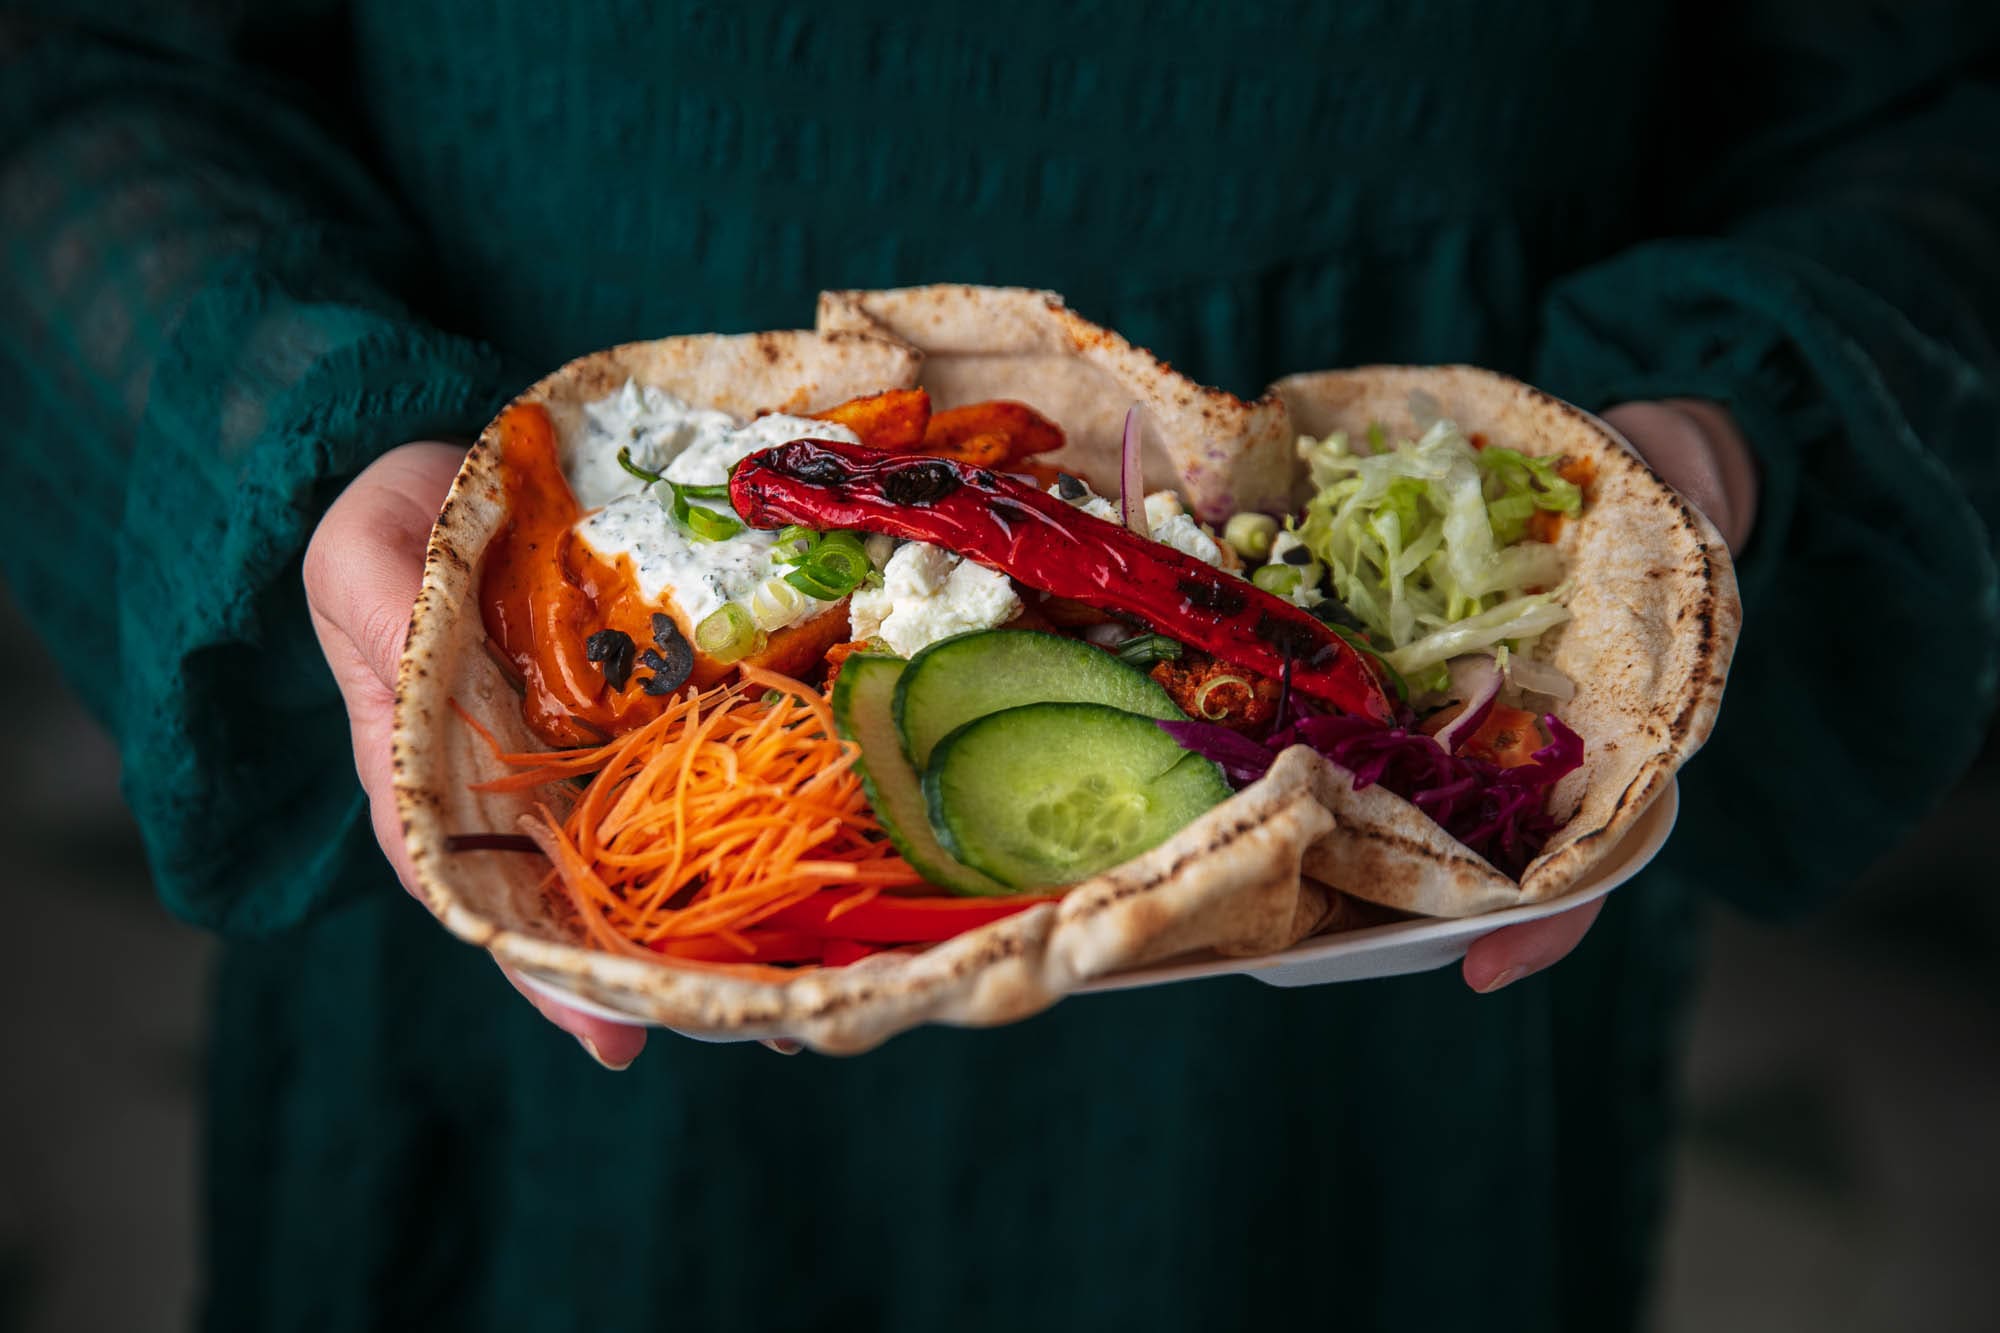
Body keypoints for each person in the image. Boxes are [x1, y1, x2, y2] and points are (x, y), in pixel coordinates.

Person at [2, 3, 1994, 1329]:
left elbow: (1920, 102)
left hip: (1405, 885)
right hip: (572, 705)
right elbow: (88, 75)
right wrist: (334, 448)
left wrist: (1701, 448)